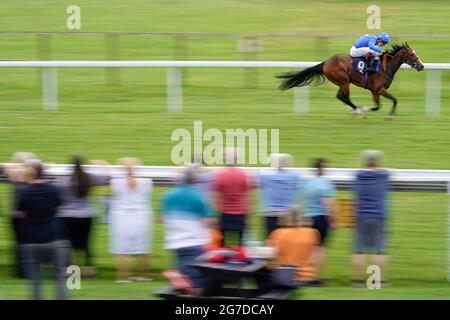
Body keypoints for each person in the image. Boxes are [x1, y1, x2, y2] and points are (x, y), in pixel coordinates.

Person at [16, 160, 67, 300]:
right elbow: (60, 209)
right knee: (59, 279)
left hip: (31, 241)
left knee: (35, 283)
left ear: (29, 174)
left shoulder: (25, 193)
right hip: (51, 239)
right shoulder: (53, 189)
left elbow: (19, 213)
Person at [160, 168, 215, 295]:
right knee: (197, 282)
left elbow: (163, 218)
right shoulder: (201, 196)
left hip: (175, 243)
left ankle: (178, 280)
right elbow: (209, 221)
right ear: (195, 181)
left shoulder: (167, 195)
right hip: (195, 242)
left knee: (183, 278)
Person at [54, 156, 110, 277]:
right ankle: (90, 272)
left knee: (67, 244)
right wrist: (101, 163)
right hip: (86, 216)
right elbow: (106, 177)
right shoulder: (89, 178)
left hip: (67, 216)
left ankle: (69, 273)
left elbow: (54, 192)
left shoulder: (63, 180)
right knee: (87, 245)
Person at [109, 157, 153, 283]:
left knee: (122, 249)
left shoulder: (116, 182)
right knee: (143, 247)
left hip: (122, 216)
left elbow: (113, 196)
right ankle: (144, 275)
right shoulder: (147, 181)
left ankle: (122, 277)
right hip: (142, 215)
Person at [352, 150, 390, 287]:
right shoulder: (383, 175)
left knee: (358, 250)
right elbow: (384, 171)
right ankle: (378, 281)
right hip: (378, 216)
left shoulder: (358, 175)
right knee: (379, 250)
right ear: (378, 162)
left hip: (361, 216)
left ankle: (357, 281)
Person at [1, 152, 37, 278]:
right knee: (28, 243)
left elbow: (4, 167)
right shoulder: (32, 173)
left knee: (19, 244)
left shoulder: (13, 173)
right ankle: (28, 270)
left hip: (15, 215)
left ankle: (21, 271)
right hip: (28, 215)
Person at [303, 158, 337, 284]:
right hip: (321, 218)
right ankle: (315, 277)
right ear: (323, 168)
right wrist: (333, 219)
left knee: (310, 248)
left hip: (307, 218)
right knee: (319, 249)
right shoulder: (325, 183)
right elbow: (328, 203)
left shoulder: (307, 182)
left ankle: (306, 275)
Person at [211, 147, 254, 246]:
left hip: (225, 213)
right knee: (240, 243)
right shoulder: (244, 175)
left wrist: (216, 212)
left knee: (222, 243)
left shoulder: (220, 175)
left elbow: (216, 196)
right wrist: (248, 212)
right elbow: (247, 195)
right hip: (240, 213)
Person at [267, 207, 321, 285]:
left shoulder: (277, 233)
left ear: (284, 218)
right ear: (301, 218)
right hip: (308, 277)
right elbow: (316, 258)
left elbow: (271, 256)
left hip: (285, 277)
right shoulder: (313, 232)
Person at [259, 153, 300, 237]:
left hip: (271, 213)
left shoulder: (266, 177)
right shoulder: (293, 176)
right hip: (287, 214)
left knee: (271, 240)